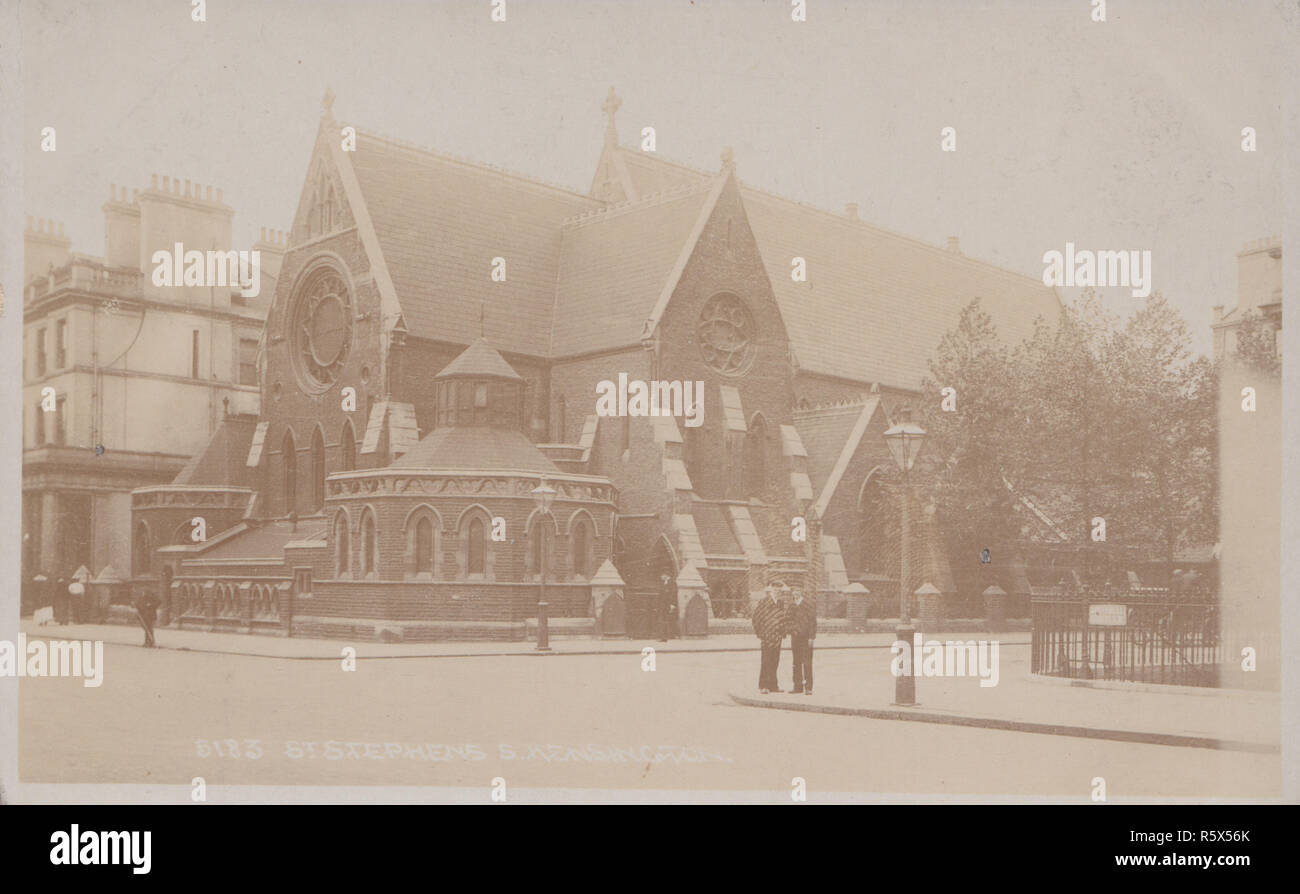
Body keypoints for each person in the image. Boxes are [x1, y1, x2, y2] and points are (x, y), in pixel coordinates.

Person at [752, 584, 787, 693]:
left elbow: (783, 618)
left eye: (779, 590)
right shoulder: (764, 602)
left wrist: (783, 632)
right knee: (766, 660)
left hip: (777, 637)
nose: (778, 591)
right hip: (767, 637)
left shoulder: (781, 603)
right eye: (776, 589)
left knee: (775, 660)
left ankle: (773, 685)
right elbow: (756, 618)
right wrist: (761, 633)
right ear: (771, 589)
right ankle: (763, 686)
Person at [788, 588, 817, 694]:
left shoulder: (808, 604)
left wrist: (811, 637)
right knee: (796, 662)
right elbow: (788, 620)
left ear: (801, 592)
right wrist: (791, 630)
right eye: (794, 591)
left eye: (798, 590)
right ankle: (797, 686)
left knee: (807, 662)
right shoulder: (791, 605)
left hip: (806, 638)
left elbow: (813, 622)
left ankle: (808, 687)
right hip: (795, 637)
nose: (795, 593)